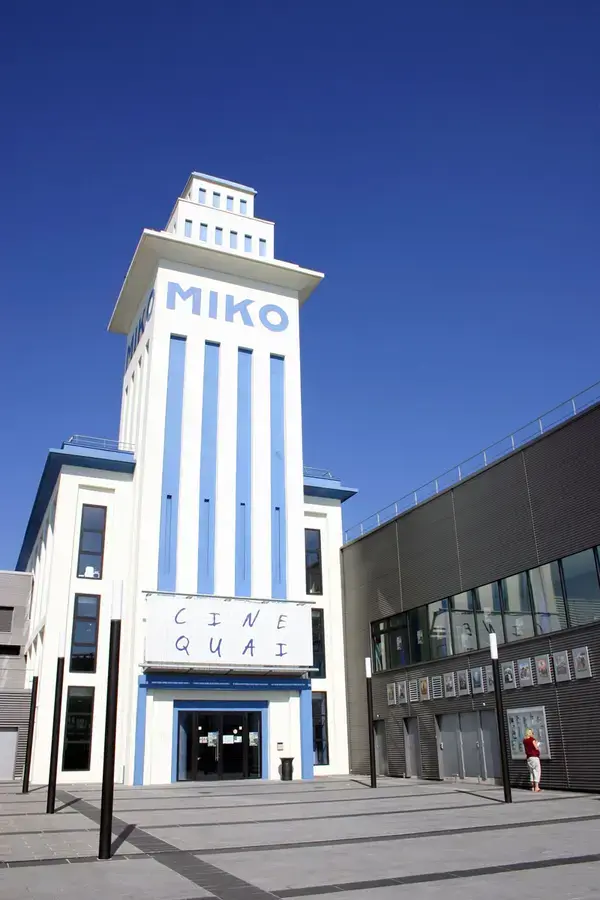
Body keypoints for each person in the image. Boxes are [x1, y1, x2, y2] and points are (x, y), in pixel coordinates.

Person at [523, 728, 541, 792]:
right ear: (531, 733)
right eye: (532, 733)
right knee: (537, 771)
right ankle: (536, 787)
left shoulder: (524, 740)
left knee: (531, 772)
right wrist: (537, 745)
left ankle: (532, 787)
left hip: (528, 758)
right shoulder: (532, 740)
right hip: (534, 757)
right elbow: (536, 748)